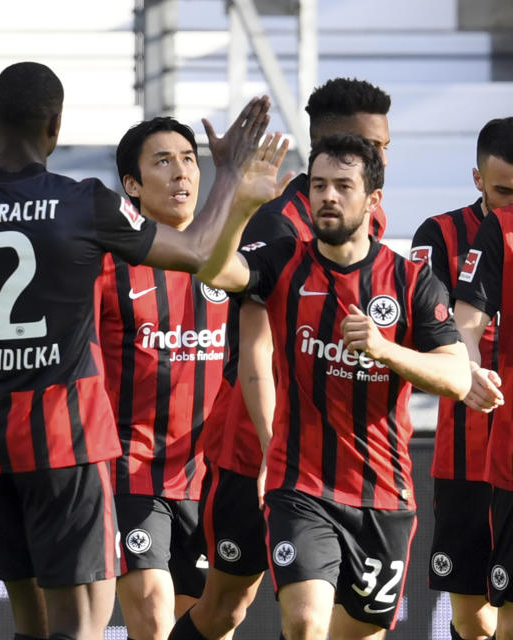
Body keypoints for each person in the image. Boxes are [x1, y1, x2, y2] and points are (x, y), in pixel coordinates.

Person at [0, 61, 290, 640]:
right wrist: (225, 173)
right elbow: (202, 249)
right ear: (55, 126)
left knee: (31, 617)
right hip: (64, 438)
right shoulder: (84, 203)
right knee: (76, 622)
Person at [172, 133, 471, 640]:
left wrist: (385, 350)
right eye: (318, 185)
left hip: (383, 494)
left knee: (357, 632)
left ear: (373, 199)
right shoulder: (286, 261)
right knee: (306, 621)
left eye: (343, 186)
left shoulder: (410, 281)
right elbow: (214, 268)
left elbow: (458, 378)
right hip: (300, 486)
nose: (328, 196)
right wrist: (240, 206)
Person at [171, 77, 394, 640]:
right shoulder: (276, 222)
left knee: (330, 621)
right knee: (226, 605)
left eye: (386, 148)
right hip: (259, 450)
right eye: (377, 147)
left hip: (343, 461)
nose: (385, 159)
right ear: (338, 147)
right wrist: (277, 450)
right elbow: (253, 349)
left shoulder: (367, 215)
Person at [94, 117, 228, 640]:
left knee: (206, 624)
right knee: (152, 616)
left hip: (210, 476)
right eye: (163, 161)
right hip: (132, 470)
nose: (181, 172)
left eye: (189, 159)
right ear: (132, 184)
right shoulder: (108, 265)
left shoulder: (231, 261)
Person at [411, 116, 513, 640]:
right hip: (468, 448)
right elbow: (428, 334)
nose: (510, 203)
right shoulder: (439, 234)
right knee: (474, 619)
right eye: (501, 191)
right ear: (477, 179)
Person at [452, 118, 513, 640]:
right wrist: (471, 368)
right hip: (502, 448)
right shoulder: (501, 229)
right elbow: (465, 321)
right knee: (496, 617)